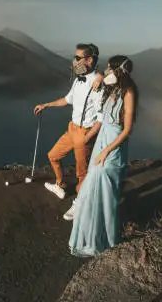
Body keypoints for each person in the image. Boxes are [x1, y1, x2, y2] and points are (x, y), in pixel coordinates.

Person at [68, 55, 138, 258]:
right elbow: (93, 75)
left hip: (113, 146)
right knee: (92, 188)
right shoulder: (112, 90)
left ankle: (105, 239)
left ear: (118, 71)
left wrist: (106, 151)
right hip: (102, 142)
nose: (106, 72)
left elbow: (127, 130)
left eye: (110, 69)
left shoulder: (128, 93)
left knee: (106, 192)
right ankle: (90, 235)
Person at [34, 43, 104, 221]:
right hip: (72, 128)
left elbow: (102, 117)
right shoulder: (78, 80)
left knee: (83, 174)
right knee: (53, 155)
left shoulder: (98, 82)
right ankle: (60, 184)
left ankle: (80, 204)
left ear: (89, 60)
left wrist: (87, 137)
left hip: (85, 132)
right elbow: (67, 100)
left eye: (78, 58)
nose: (74, 61)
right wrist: (46, 105)